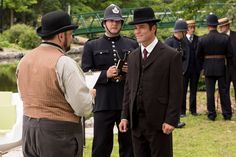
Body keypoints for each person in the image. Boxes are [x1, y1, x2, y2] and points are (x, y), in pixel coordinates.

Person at [16, 10, 95, 157]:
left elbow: (24, 96)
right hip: (58, 135)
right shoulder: (64, 63)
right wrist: (91, 96)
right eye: (71, 34)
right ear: (61, 36)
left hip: (29, 130)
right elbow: (83, 108)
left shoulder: (24, 60)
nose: (72, 39)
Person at [119, 7, 183, 157]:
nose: (137, 31)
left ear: (153, 28)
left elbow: (176, 90)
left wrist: (171, 119)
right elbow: (129, 88)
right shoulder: (133, 56)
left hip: (160, 123)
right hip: (136, 123)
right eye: (135, 28)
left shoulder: (171, 56)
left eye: (141, 27)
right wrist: (124, 116)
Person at [82, 4, 138, 157]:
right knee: (101, 146)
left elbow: (142, 72)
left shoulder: (132, 44)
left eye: (118, 21)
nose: (114, 23)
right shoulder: (91, 45)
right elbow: (85, 74)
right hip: (103, 103)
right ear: (104, 23)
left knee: (129, 146)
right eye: (111, 20)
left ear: (121, 23)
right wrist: (104, 75)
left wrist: (131, 70)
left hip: (125, 103)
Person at [197, 14, 232, 121]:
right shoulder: (225, 38)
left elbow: (198, 55)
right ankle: (227, 114)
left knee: (210, 93)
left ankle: (211, 115)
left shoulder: (202, 39)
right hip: (222, 67)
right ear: (217, 25)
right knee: (224, 91)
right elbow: (230, 54)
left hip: (208, 68)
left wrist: (204, 65)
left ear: (208, 25)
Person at [165, 19, 187, 128]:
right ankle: (174, 120)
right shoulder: (168, 42)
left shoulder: (182, 42)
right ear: (180, 32)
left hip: (179, 73)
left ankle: (176, 119)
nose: (186, 34)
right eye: (184, 32)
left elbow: (185, 57)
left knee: (177, 96)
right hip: (169, 74)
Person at [183, 20, 201, 116]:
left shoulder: (198, 39)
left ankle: (193, 110)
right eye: (190, 27)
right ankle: (182, 111)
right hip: (184, 70)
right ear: (186, 29)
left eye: (193, 27)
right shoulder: (182, 40)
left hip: (195, 69)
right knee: (183, 91)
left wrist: (200, 67)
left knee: (193, 90)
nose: (192, 29)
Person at [218, 17, 236, 106]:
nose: (220, 29)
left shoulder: (235, 35)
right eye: (219, 27)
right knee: (225, 90)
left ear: (227, 26)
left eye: (222, 27)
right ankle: (227, 109)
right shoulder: (219, 38)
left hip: (235, 67)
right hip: (224, 68)